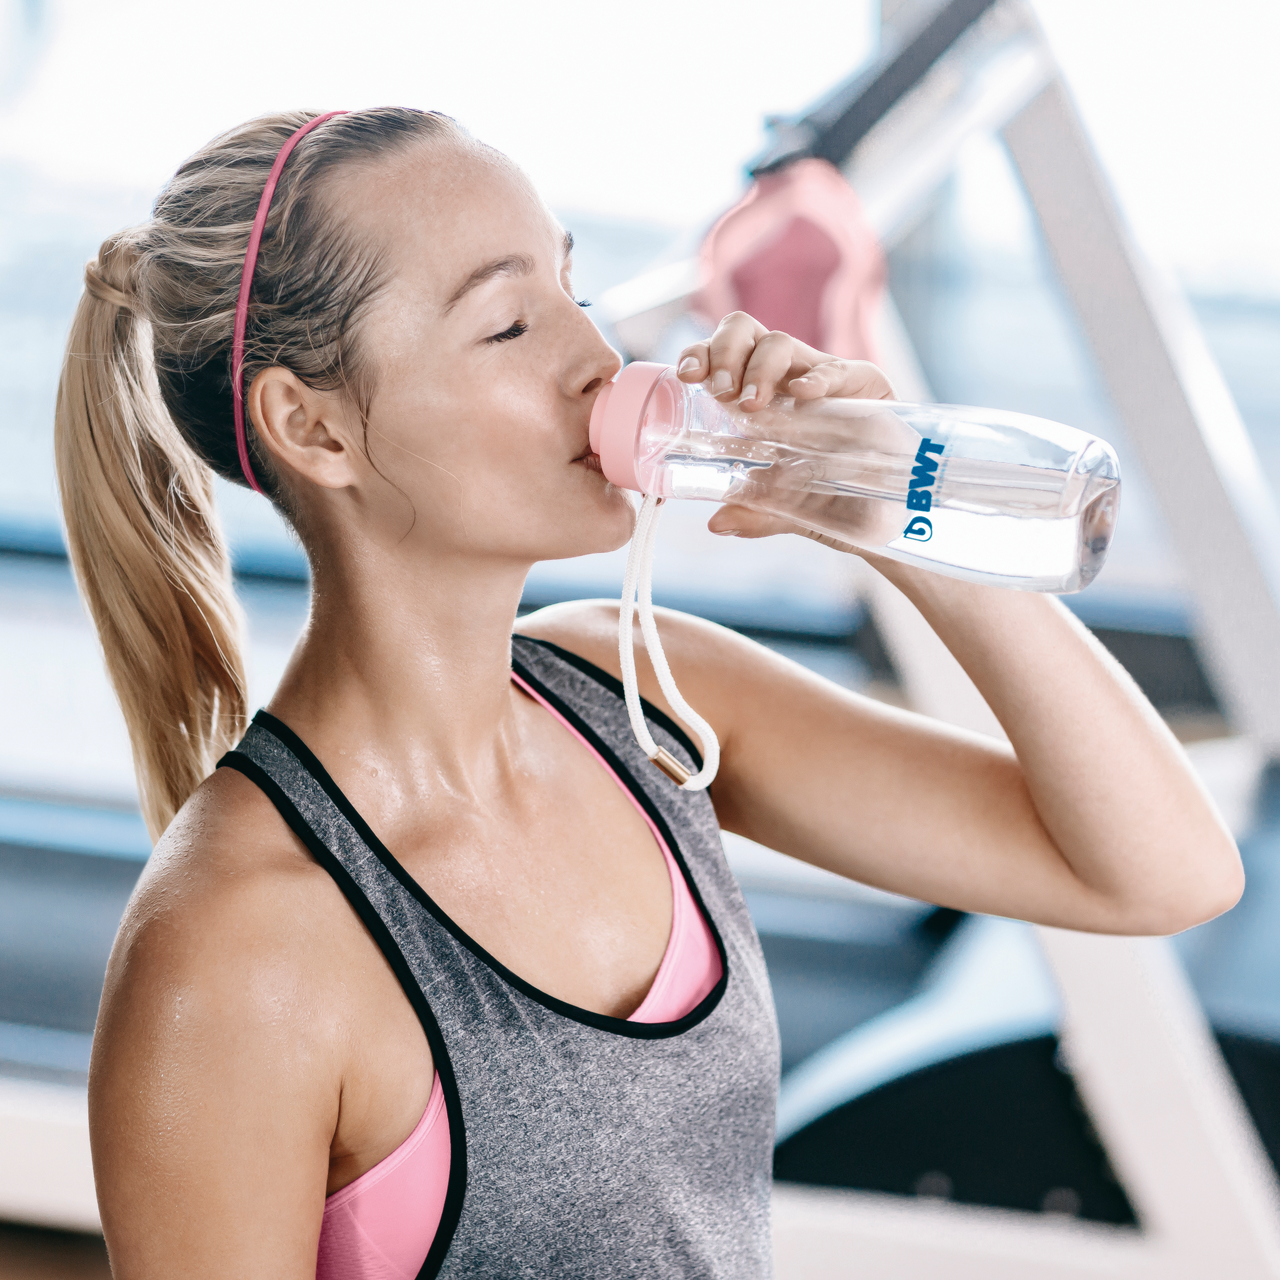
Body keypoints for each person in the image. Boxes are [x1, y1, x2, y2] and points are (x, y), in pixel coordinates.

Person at [60, 108, 1241, 1280]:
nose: (594, 355)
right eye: (509, 321)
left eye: (573, 284)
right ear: (310, 426)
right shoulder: (235, 950)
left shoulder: (640, 695)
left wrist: (887, 495)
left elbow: (1158, 869)